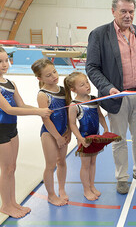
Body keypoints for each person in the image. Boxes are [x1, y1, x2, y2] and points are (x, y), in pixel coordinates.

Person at [86, 0, 136, 194]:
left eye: (131, 11)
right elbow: (92, 67)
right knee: (119, 140)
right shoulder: (99, 34)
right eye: (123, 11)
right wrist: (108, 88)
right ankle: (121, 177)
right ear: (113, 11)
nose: (128, 15)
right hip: (117, 96)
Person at [0, 48, 51, 218]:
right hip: (1, 130)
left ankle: (12, 202)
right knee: (6, 168)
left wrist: (41, 109)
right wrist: (37, 113)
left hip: (12, 129)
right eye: (0, 62)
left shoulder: (10, 83)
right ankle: (6, 205)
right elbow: (9, 109)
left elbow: (21, 105)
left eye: (6, 60)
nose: (4, 65)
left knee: (12, 167)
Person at [31, 58, 71, 206]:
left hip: (63, 131)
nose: (53, 76)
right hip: (49, 133)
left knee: (62, 161)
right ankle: (51, 195)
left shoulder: (63, 90)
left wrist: (69, 132)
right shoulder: (43, 94)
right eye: (48, 75)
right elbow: (46, 120)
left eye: (54, 71)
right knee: (51, 165)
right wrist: (57, 137)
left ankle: (61, 188)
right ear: (40, 78)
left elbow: (68, 114)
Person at [64, 72, 109, 200]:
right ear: (73, 89)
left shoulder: (94, 99)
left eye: (87, 82)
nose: (87, 86)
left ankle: (92, 185)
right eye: (82, 84)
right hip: (84, 138)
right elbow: (72, 124)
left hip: (96, 136)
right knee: (85, 165)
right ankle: (86, 189)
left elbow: (100, 115)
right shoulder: (74, 105)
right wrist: (80, 138)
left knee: (93, 162)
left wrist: (105, 127)